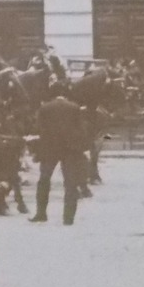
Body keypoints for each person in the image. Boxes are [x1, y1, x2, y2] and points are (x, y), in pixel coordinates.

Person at [31, 92, 90, 225]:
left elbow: (38, 128)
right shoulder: (74, 107)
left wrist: (37, 149)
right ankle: (68, 218)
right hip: (70, 148)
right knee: (70, 183)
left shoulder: (45, 108)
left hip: (49, 148)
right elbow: (81, 129)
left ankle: (41, 213)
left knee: (44, 180)